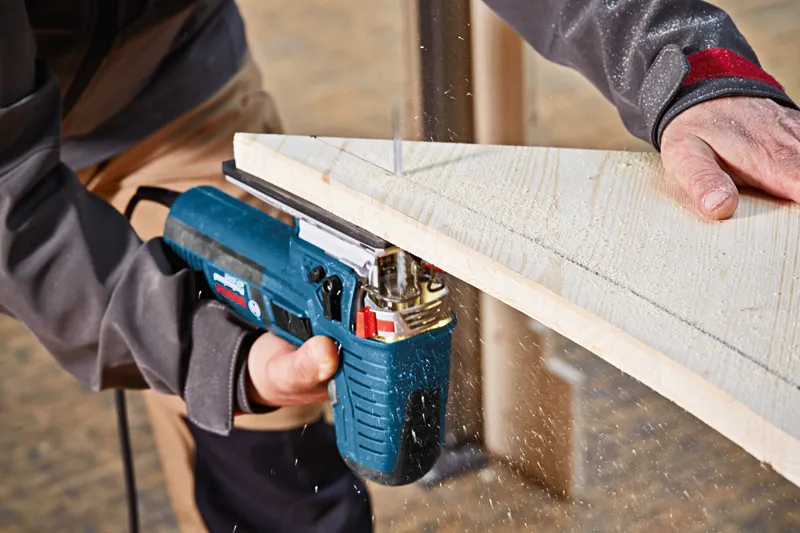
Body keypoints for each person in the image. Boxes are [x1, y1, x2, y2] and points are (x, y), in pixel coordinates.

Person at [1, 1, 798, 532]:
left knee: (276, 457)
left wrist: (686, 70)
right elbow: (13, 206)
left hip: (168, 78)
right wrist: (203, 352)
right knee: (220, 365)